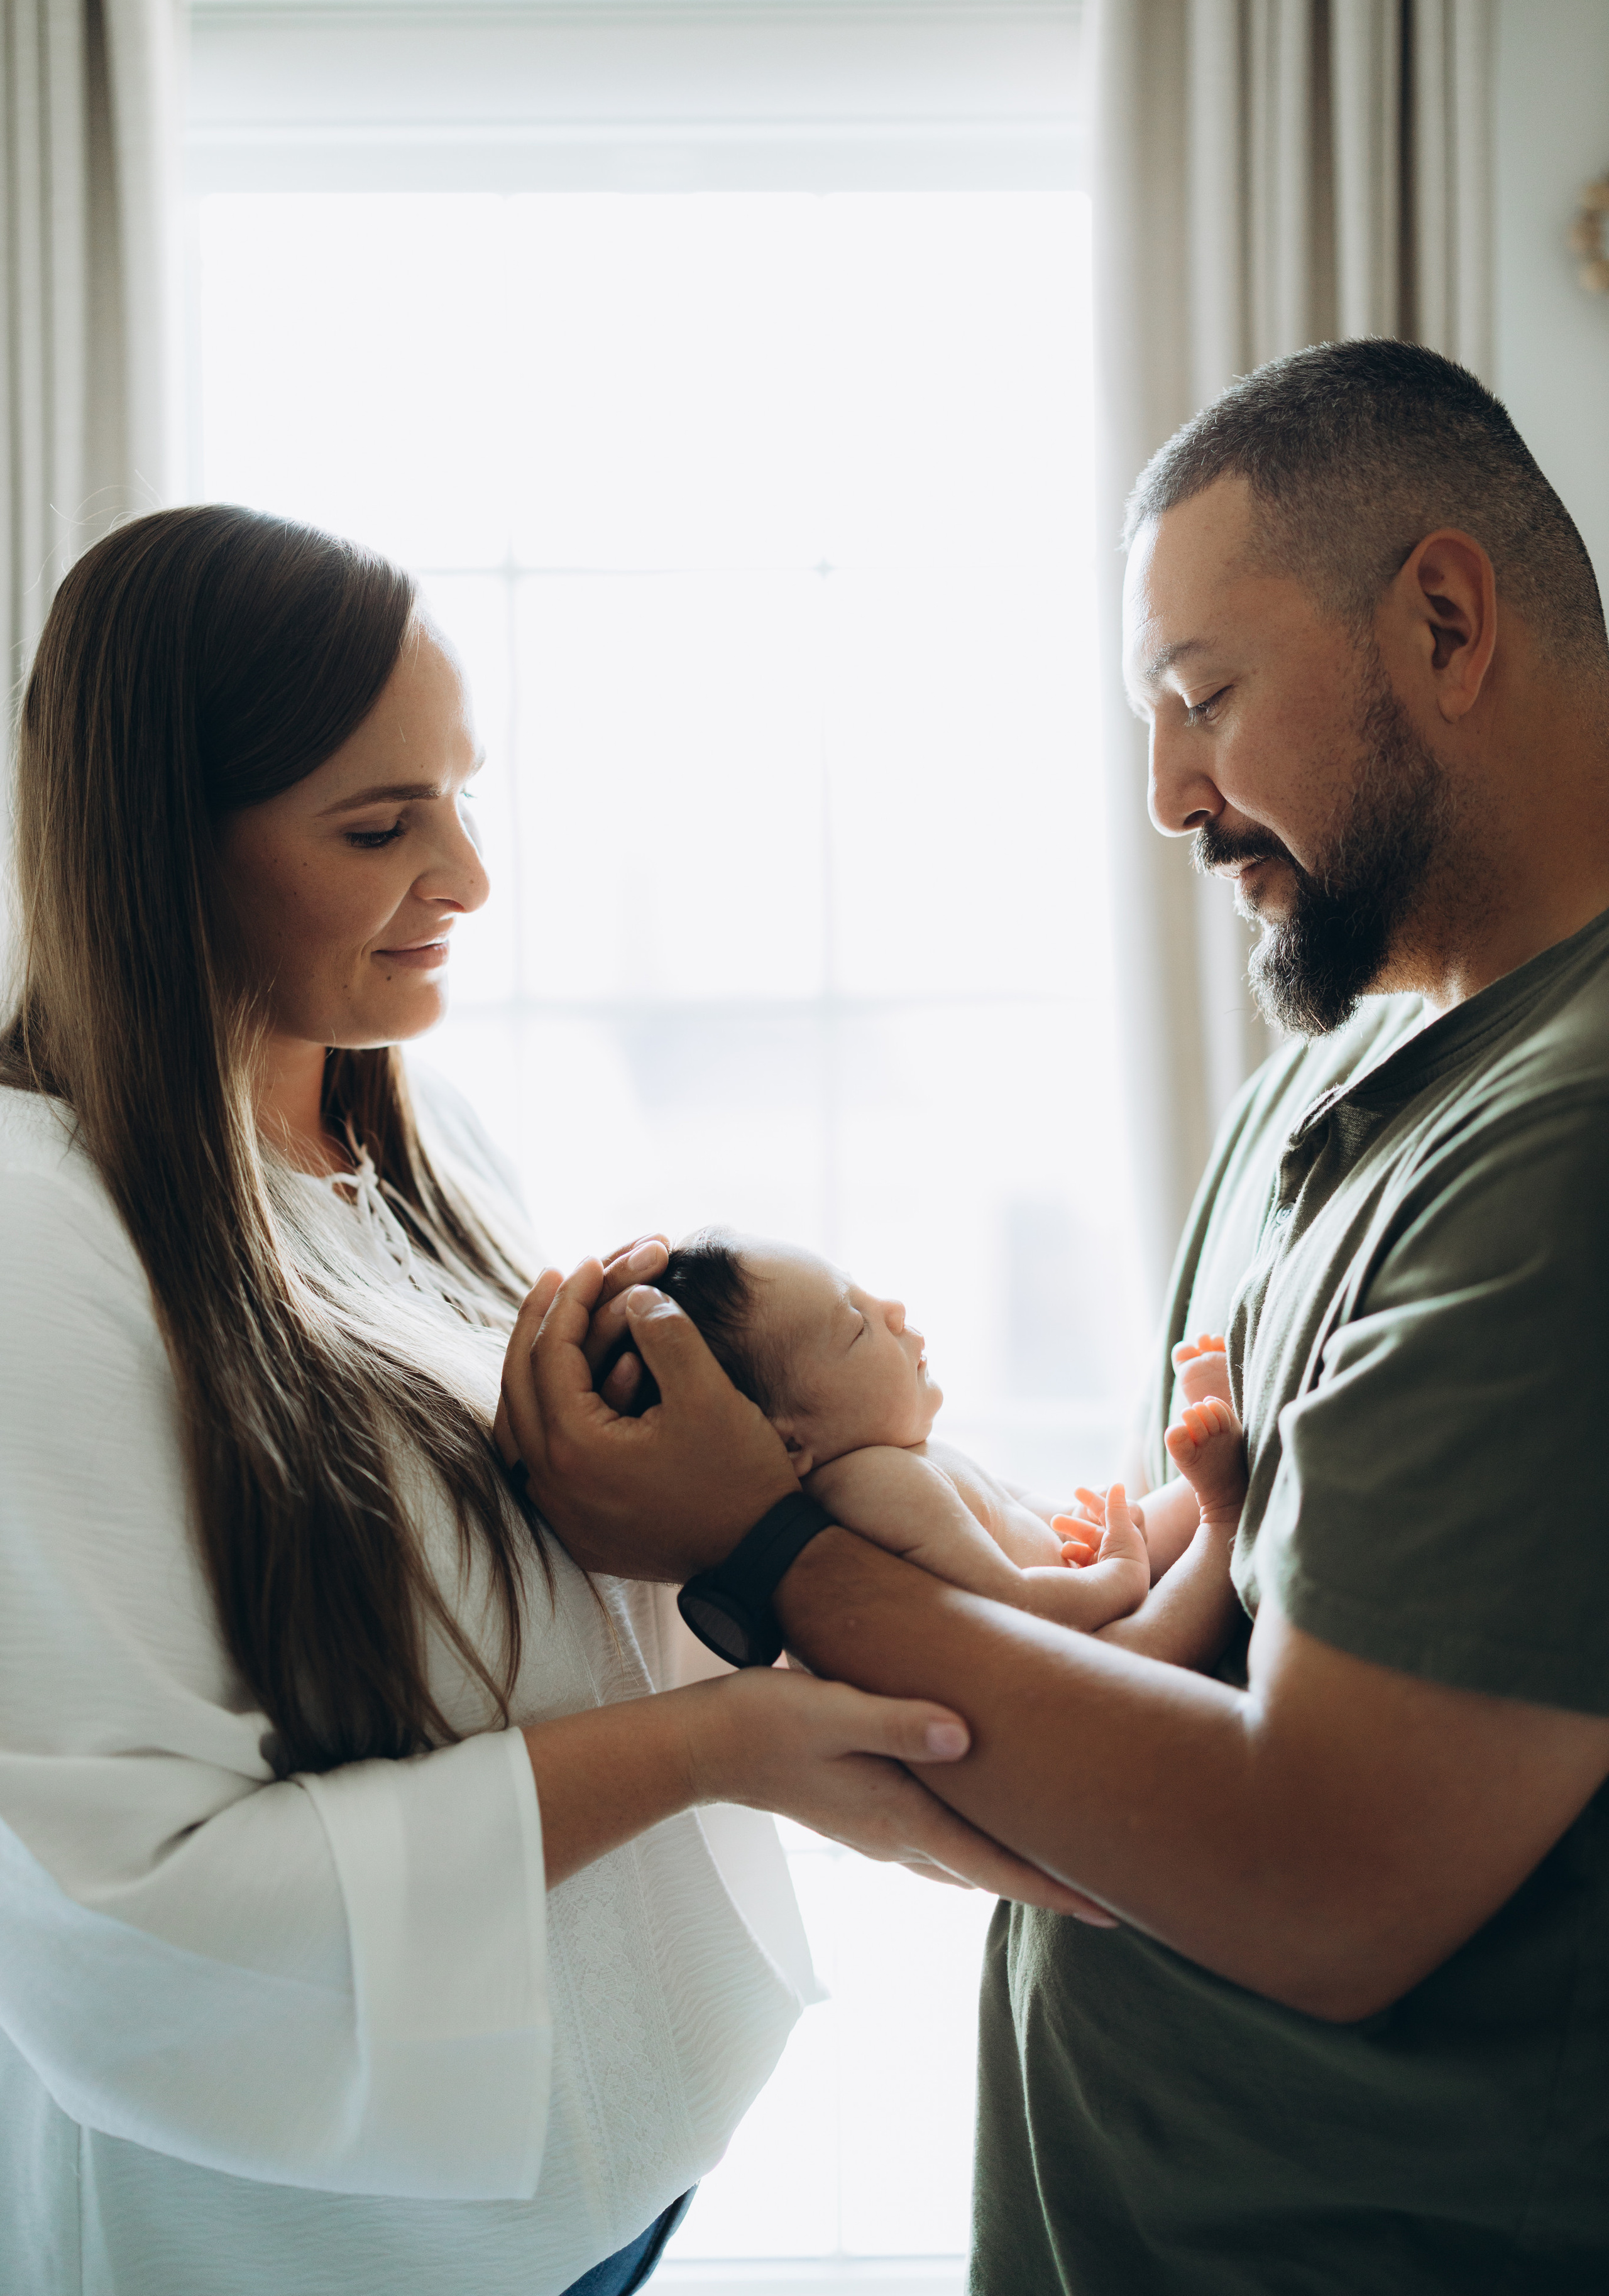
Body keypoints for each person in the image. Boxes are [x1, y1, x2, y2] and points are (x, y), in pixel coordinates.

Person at [500, 341, 1609, 2292]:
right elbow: (1158, 1658)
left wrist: (755, 1543)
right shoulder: (1328, 1078)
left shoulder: (1569, 1146)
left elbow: (1327, 1873)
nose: (1171, 791)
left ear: (1443, 617)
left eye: (1203, 699)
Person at [0, 505, 1087, 2296]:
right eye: (380, 825)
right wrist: (729, 1749)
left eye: (462, 794)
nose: (471, 879)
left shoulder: (416, 1149)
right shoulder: (47, 1244)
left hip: (606, 2187)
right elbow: (140, 1926)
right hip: (339, 2251)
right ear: (163, 847)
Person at [623, 1232, 1244, 1652]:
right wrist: (1118, 1575)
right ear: (788, 1444)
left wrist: (1091, 1525)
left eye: (865, 1291)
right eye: (856, 1327)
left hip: (1074, 1593)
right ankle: (1225, 1513)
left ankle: (1211, 1475)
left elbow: (1011, 1509)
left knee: (1150, 1518)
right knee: (1141, 1652)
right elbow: (1011, 1607)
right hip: (1071, 1652)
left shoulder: (900, 1460)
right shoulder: (870, 1488)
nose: (893, 1310)